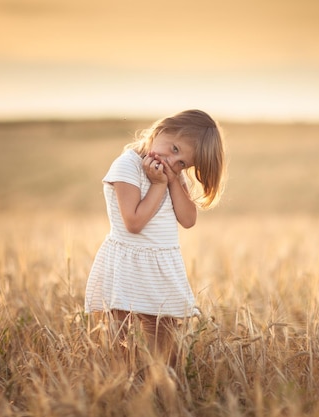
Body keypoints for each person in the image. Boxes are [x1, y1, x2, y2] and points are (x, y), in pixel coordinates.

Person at [85, 109, 226, 364]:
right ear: (161, 130)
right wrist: (159, 185)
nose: (173, 162)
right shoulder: (127, 166)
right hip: (127, 265)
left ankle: (162, 394)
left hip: (160, 269)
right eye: (173, 149)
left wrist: (172, 181)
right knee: (120, 347)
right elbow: (134, 222)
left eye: (183, 162)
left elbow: (188, 219)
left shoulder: (172, 174)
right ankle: (122, 394)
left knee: (166, 351)